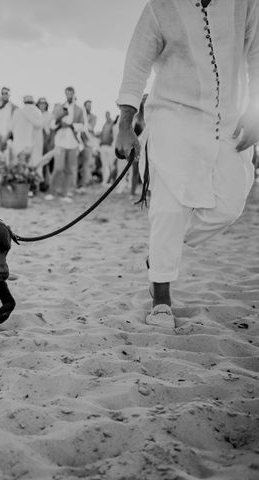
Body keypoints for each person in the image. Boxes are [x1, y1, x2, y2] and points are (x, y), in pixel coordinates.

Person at [115, 0, 259, 327]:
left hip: (230, 122)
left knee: (230, 203)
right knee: (168, 209)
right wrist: (125, 125)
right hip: (172, 118)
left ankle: (161, 254)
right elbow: (136, 62)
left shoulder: (246, 3)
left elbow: (256, 54)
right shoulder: (160, 6)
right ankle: (161, 296)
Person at [49, 86, 87, 202]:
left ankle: (65, 193)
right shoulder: (59, 107)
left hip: (73, 142)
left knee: (70, 169)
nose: (69, 95)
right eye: (67, 93)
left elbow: (83, 126)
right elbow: (52, 124)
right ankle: (52, 192)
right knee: (58, 168)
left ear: (74, 94)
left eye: (71, 93)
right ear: (65, 94)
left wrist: (71, 125)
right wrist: (60, 122)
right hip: (60, 141)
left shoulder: (80, 110)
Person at [9, 95, 43, 166]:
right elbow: (40, 125)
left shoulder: (17, 111)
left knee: (19, 169)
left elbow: (11, 128)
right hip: (32, 146)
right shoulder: (37, 111)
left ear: (24, 102)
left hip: (18, 146)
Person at [0, 86, 17, 155]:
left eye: (6, 93)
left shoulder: (14, 108)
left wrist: (6, 137)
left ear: (9, 95)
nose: (4, 95)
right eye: (3, 93)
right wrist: (0, 137)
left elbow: (14, 124)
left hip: (10, 140)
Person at [78, 99, 97, 188]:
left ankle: (84, 183)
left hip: (87, 143)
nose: (89, 107)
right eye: (87, 105)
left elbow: (90, 128)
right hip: (78, 142)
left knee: (86, 164)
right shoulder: (80, 115)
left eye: (90, 105)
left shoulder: (93, 117)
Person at [98, 111, 115, 186]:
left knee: (111, 164)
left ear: (109, 115)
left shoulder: (112, 123)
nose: (106, 116)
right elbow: (102, 135)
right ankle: (105, 180)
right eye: (105, 115)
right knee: (104, 165)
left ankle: (111, 180)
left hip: (110, 146)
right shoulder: (104, 125)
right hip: (103, 146)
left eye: (107, 115)